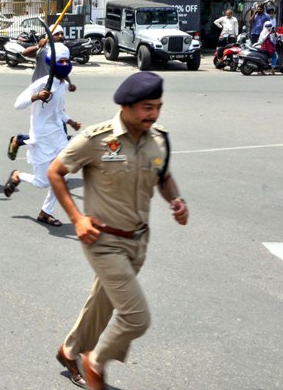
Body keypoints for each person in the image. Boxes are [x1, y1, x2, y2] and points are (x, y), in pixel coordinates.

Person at [47, 71, 188, 390]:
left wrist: (176, 200)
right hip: (103, 240)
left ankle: (69, 351)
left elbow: (164, 177)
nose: (153, 114)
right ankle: (95, 362)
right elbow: (55, 172)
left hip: (138, 241)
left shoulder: (158, 140)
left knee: (103, 301)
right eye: (147, 107)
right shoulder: (96, 139)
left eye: (158, 107)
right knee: (136, 317)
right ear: (127, 106)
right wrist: (77, 219)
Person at [4, 44, 81, 227]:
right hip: (41, 137)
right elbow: (18, 104)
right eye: (61, 61)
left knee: (62, 176)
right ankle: (18, 175)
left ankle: (46, 213)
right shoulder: (42, 83)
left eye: (67, 61)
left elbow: (59, 111)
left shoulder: (63, 85)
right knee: (42, 183)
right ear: (53, 63)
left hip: (58, 136)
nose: (65, 64)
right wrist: (37, 96)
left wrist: (70, 122)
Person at [8, 27, 76, 160]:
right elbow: (24, 53)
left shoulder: (62, 51)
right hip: (41, 93)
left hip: (55, 93)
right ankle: (21, 140)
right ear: (50, 36)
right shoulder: (44, 49)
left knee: (52, 129)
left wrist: (69, 83)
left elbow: (61, 71)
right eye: (57, 34)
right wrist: (38, 46)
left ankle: (22, 140)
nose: (60, 36)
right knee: (50, 130)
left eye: (62, 34)